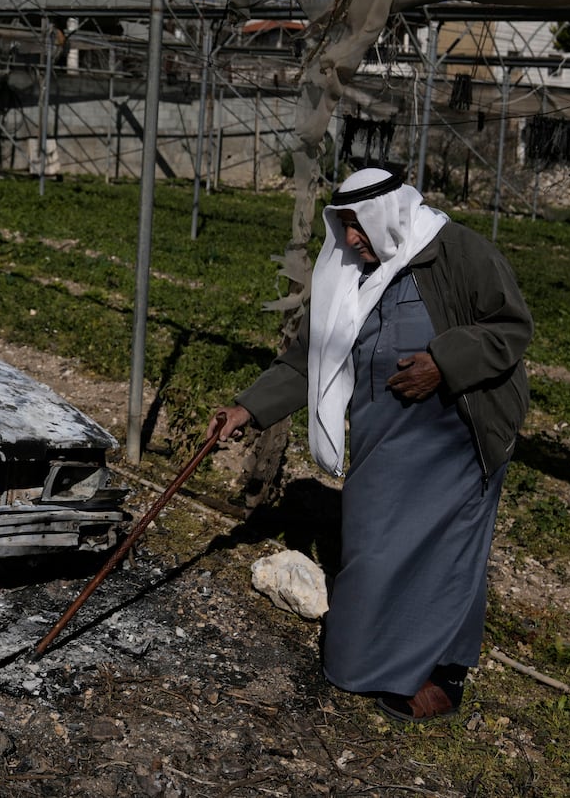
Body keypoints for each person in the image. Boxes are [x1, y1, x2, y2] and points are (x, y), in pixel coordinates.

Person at [206, 167, 531, 721]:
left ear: (388, 214)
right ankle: (368, 660)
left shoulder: (456, 252)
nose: (351, 238)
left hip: (454, 436)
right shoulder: (345, 275)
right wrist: (247, 409)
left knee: (445, 555)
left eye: (358, 225)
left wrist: (442, 362)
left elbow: (510, 328)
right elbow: (306, 360)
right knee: (373, 545)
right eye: (344, 224)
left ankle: (440, 674)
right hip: (386, 437)